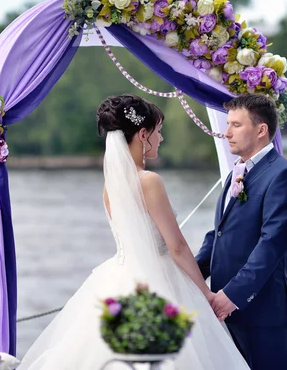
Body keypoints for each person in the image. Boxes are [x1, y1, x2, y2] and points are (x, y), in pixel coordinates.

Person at [18, 94, 249, 369]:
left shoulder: (110, 186)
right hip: (158, 280)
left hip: (117, 275)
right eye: (158, 131)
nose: (161, 139)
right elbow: (177, 246)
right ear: (143, 134)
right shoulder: (149, 181)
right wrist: (206, 294)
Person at [196, 94, 287, 370]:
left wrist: (231, 296)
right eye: (227, 124)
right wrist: (188, 275)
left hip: (260, 314)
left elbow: (270, 246)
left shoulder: (283, 175)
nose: (226, 132)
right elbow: (219, 234)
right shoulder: (237, 171)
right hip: (222, 309)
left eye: (236, 125)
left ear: (261, 130)